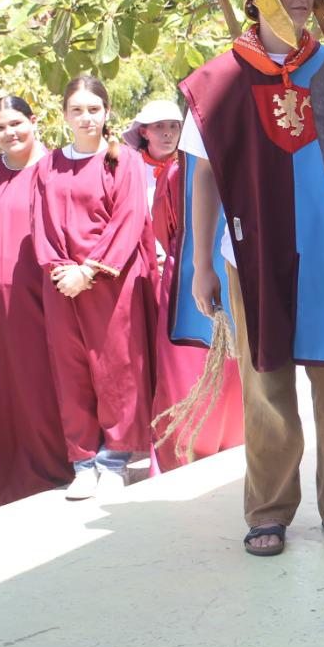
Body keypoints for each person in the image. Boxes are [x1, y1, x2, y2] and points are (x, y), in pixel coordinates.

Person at [180, 0, 324, 555]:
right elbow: (206, 173)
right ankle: (268, 508)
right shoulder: (218, 82)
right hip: (252, 253)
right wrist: (202, 262)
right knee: (266, 384)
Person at [29, 76, 155, 500]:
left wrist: (90, 270)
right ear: (64, 115)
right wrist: (62, 270)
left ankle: (115, 457)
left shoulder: (125, 161)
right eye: (77, 110)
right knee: (72, 372)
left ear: (106, 113)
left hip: (111, 281)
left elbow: (129, 218)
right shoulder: (47, 166)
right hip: (62, 283)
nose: (86, 118)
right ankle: (83, 461)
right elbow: (41, 224)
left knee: (116, 368)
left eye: (94, 109)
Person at [127, 99, 244, 471]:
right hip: (216, 274)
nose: (166, 133)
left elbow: (166, 228)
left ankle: (187, 451)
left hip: (188, 274)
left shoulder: (177, 173)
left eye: (172, 126)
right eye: (156, 126)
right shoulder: (164, 171)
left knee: (196, 370)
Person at [0, 96, 72, 506]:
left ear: (34, 121)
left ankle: (53, 470)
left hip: (39, 298)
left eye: (16, 123)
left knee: (41, 383)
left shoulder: (56, 170)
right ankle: (5, 476)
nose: (10, 133)